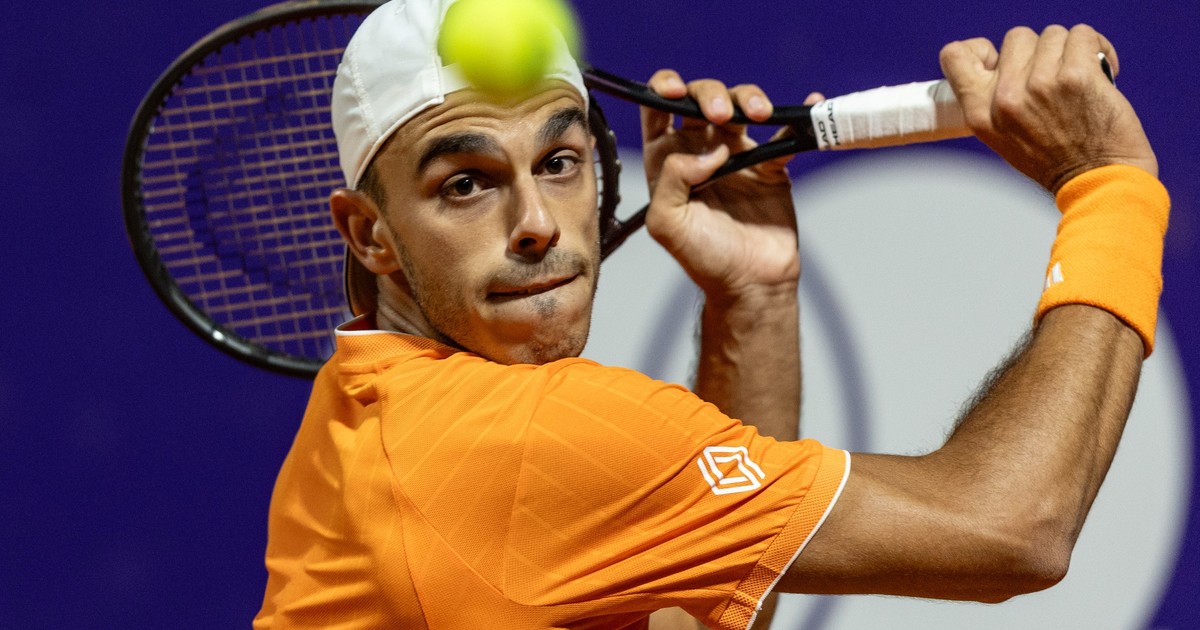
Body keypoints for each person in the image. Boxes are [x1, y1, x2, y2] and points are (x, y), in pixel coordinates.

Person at [254, 0, 1169, 628]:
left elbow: (692, 616)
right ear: (370, 234)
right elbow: (1012, 529)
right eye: (466, 184)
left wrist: (752, 297)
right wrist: (1110, 187)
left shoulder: (361, 409)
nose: (536, 223)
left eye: (560, 163)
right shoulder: (519, 440)